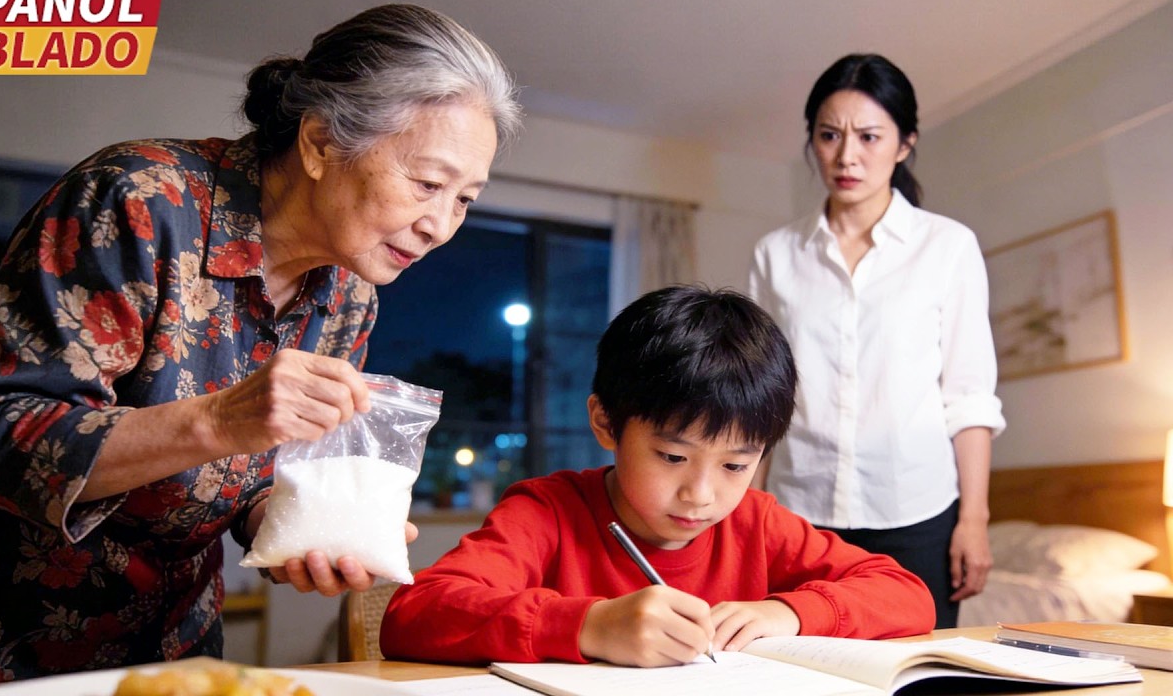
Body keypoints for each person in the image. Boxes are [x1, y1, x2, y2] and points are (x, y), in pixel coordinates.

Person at [0, 4, 520, 687]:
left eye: (465, 200)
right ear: (318, 143)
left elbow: (254, 481)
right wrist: (219, 419)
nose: (440, 225)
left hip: (169, 648)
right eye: (428, 183)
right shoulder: (137, 202)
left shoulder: (349, 296)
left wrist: (300, 532)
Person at [380, 285, 935, 667]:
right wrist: (589, 625)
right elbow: (413, 615)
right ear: (606, 423)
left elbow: (907, 595)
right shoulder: (547, 511)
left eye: (736, 465)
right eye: (672, 457)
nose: (701, 494)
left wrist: (789, 611)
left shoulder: (757, 522)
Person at [746, 53, 1006, 629]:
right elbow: (759, 400)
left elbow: (968, 396)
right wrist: (743, 515)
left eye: (869, 136)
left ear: (905, 143)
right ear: (811, 140)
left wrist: (974, 520)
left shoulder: (947, 246)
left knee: (919, 673)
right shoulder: (775, 256)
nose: (847, 156)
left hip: (916, 509)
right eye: (829, 135)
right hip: (798, 515)